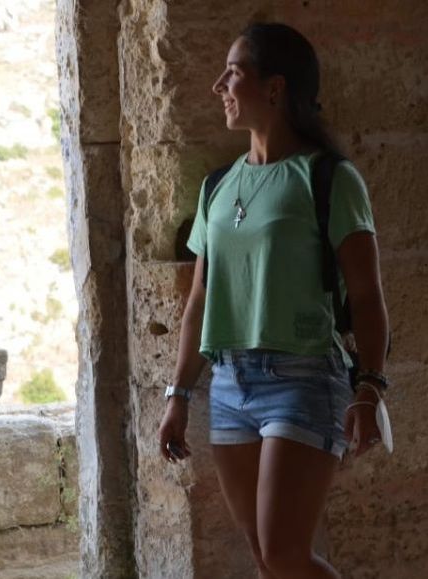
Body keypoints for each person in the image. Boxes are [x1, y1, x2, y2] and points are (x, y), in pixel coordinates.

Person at [158, 22, 390, 579]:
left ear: (275, 87)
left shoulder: (329, 178)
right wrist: (179, 394)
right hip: (230, 384)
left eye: (233, 73)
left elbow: (366, 295)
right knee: (268, 560)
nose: (219, 86)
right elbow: (200, 301)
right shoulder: (216, 187)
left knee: (285, 555)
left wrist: (369, 388)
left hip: (303, 379)